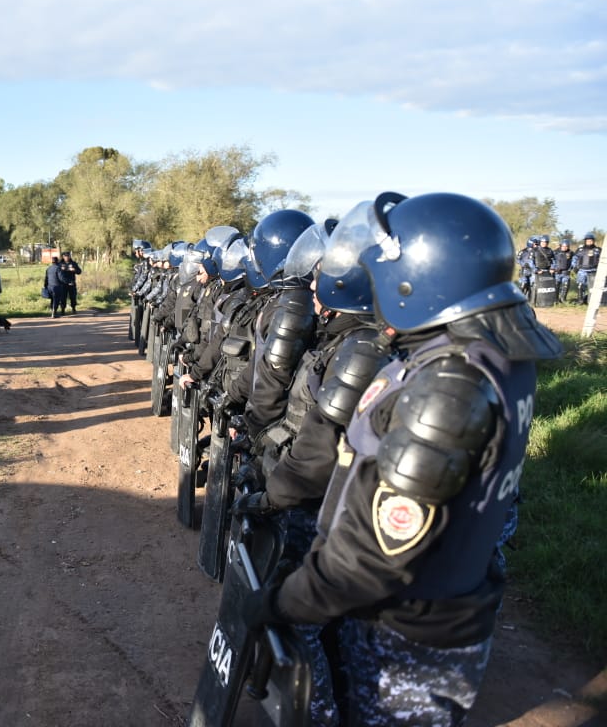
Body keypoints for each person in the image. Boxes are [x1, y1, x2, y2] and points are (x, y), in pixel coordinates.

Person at [238, 192, 562, 726]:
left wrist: (284, 602)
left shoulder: (448, 387)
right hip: (425, 607)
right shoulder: (489, 353)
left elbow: (374, 555)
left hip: (408, 635)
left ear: (418, 277)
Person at [574, 232, 601, 304]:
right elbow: (575, 259)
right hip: (582, 270)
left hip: (593, 271)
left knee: (592, 287)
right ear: (585, 241)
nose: (589, 242)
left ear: (593, 241)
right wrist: (575, 267)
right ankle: (580, 300)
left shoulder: (598, 250)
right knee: (581, 285)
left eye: (591, 240)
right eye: (588, 240)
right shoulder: (580, 250)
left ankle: (590, 300)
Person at [551, 238, 574, 303]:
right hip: (557, 272)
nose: (565, 247)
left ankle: (563, 299)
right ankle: (556, 299)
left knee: (565, 286)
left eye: (566, 246)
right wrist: (553, 268)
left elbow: (574, 261)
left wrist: (571, 269)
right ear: (560, 245)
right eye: (563, 246)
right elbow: (552, 261)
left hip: (565, 272)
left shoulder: (571, 253)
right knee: (556, 285)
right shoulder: (555, 252)